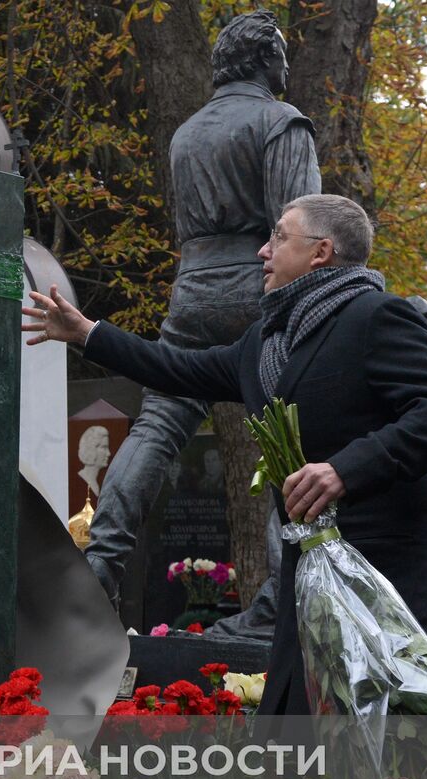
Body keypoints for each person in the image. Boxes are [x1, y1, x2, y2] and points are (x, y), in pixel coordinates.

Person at [24, 193, 427, 779]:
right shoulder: (269, 342)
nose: (264, 251)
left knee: (414, 775)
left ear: (323, 252)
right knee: (299, 764)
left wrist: (346, 467)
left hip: (387, 594)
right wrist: (88, 333)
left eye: (279, 237)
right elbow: (178, 366)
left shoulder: (377, 318)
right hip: (312, 593)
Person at [84, 9, 320, 602]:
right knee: (291, 433)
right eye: (282, 55)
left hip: (192, 290)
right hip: (262, 287)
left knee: (158, 424)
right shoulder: (280, 122)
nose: (288, 66)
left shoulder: (186, 133)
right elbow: (302, 227)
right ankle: (280, 598)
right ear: (265, 59)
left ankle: (98, 566)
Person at [76, 425, 111, 498]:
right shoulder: (79, 481)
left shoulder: (96, 483)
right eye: (104, 447)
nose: (108, 453)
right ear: (91, 449)